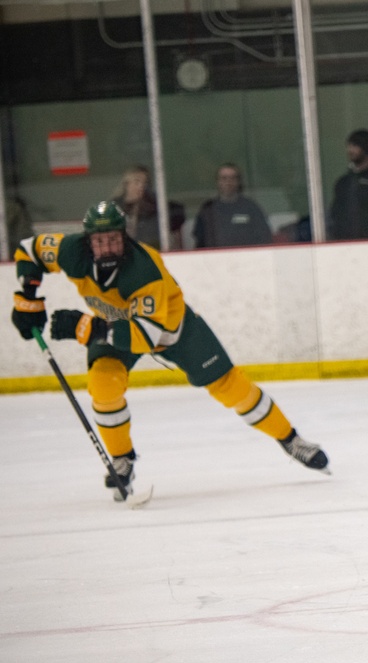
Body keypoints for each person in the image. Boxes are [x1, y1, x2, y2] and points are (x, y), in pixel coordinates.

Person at [10, 201, 329, 501]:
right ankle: (122, 460)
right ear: (88, 241)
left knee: (232, 388)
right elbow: (29, 250)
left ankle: (291, 439)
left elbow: (147, 336)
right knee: (103, 387)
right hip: (114, 327)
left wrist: (88, 328)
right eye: (100, 241)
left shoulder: (144, 268)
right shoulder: (70, 251)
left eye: (113, 239)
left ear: (124, 236)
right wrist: (28, 298)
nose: (107, 247)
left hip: (173, 330)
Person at [193, 163, 273, 248]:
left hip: (247, 256)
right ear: (218, 182)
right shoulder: (208, 209)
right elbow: (200, 241)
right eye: (224, 178)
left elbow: (264, 237)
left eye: (232, 178)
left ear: (238, 181)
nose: (228, 182)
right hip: (216, 258)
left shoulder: (251, 207)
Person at [111, 165, 186, 250]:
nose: (141, 186)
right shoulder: (114, 208)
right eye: (137, 182)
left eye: (145, 183)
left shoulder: (153, 209)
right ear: (127, 184)